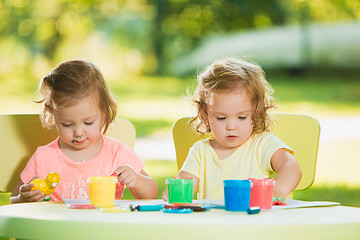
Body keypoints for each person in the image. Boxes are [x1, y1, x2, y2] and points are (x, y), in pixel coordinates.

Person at [10, 60, 158, 203]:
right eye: (67, 124)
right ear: (52, 114)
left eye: (88, 123)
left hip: (103, 226)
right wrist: (23, 197)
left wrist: (136, 180)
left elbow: (151, 194)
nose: (78, 132)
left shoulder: (117, 153)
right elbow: (14, 199)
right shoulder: (44, 157)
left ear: (104, 112)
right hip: (58, 228)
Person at [162, 57, 302, 201]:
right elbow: (186, 183)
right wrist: (174, 193)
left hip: (258, 220)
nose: (231, 127)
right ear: (206, 115)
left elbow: (290, 166)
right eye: (221, 118)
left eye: (242, 117)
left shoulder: (263, 144)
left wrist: (276, 190)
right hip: (215, 222)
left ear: (255, 114)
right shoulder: (200, 152)